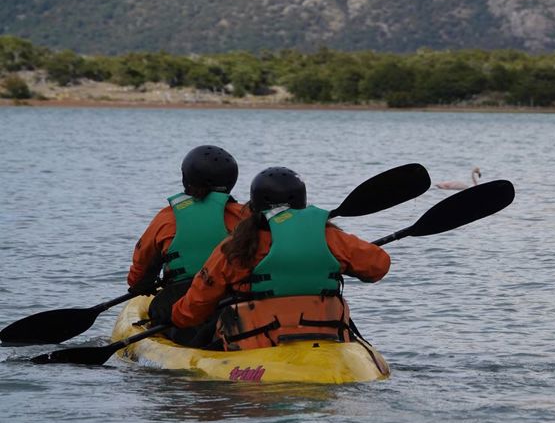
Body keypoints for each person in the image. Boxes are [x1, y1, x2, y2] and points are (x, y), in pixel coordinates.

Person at [149, 166, 390, 351]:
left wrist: (174, 317)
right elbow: (378, 266)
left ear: (254, 204)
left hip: (253, 346)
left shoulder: (235, 248)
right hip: (324, 338)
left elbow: (194, 307)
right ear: (301, 202)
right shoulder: (330, 237)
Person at [127, 145, 245, 345]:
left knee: (161, 309)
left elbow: (138, 277)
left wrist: (142, 285)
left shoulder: (166, 218)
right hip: (231, 299)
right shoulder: (245, 217)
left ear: (186, 178)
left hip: (182, 299)